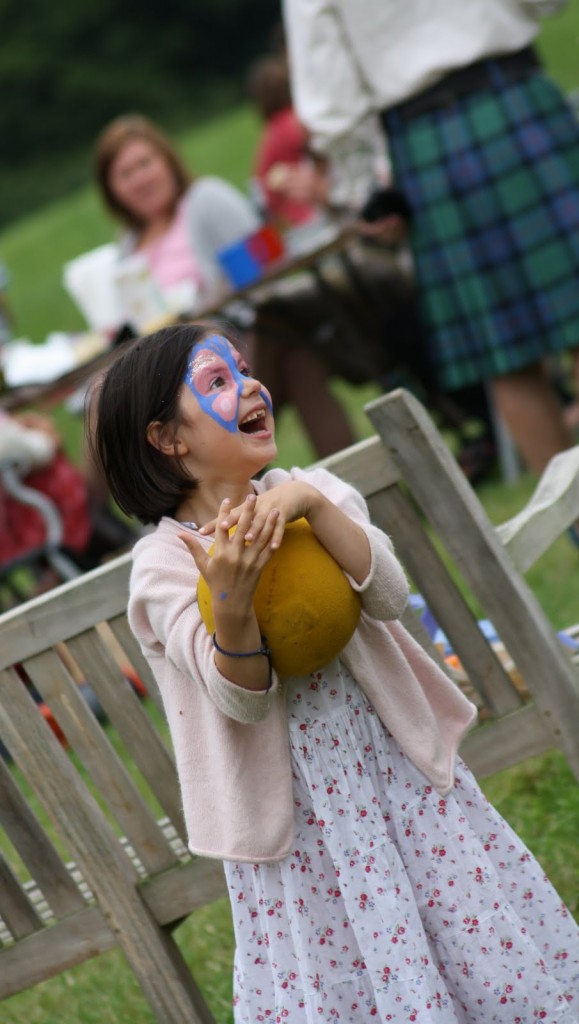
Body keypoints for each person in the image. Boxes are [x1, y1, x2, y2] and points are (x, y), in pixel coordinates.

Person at [88, 321, 579, 1023]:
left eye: (244, 370)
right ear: (168, 439)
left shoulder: (310, 490)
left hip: (393, 776)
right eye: (218, 382)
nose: (252, 386)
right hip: (298, 829)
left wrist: (313, 507)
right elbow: (241, 699)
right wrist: (228, 604)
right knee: (350, 967)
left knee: (469, 925)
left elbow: (385, 594)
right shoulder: (165, 568)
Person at [281, 0, 579, 477]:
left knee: (506, 356)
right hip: (517, 98)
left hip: (424, 146)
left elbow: (329, 96)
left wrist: (365, 189)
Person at [247, 53, 497, 482]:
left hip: (436, 264)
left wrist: (327, 192)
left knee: (391, 323)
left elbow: (383, 211)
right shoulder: (313, 134)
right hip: (400, 265)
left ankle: (478, 426)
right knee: (371, 323)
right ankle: (462, 432)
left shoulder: (360, 125)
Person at [93, 113, 355, 459]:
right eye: (126, 173)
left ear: (167, 160)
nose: (141, 178)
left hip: (238, 341)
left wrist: (207, 312)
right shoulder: (127, 245)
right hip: (171, 370)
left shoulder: (205, 201)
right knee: (100, 396)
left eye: (146, 163)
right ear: (112, 189)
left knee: (290, 349)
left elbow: (267, 263)